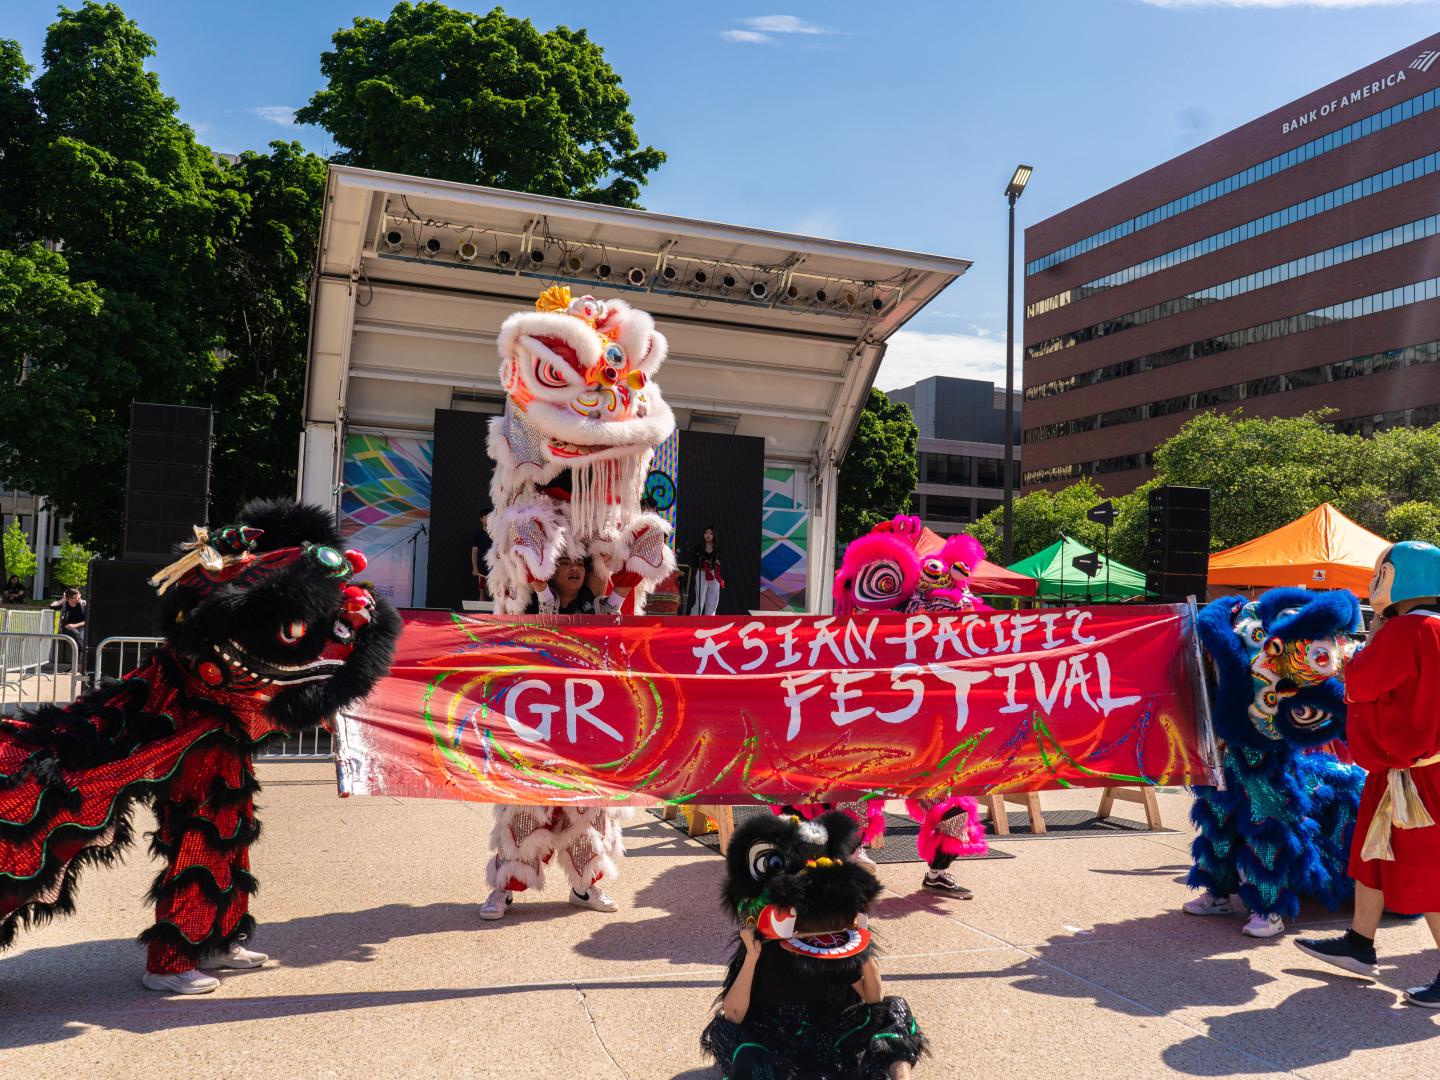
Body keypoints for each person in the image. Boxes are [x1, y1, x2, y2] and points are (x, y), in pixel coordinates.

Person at [1295, 541, 1440, 1007]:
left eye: (1380, 574)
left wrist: (1366, 641)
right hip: (1414, 769)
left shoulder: (1408, 630)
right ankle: (1359, 942)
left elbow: (1360, 683)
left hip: (1416, 774)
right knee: (1373, 855)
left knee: (1425, 868)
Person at [523, 556, 600, 615]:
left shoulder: (596, 603)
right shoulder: (528, 605)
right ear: (551, 572)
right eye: (565, 563)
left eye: (580, 564)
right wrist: (543, 594)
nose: (575, 567)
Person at [49, 587, 87, 668]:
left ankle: (75, 666)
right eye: (76, 598)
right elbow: (51, 606)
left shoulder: (83, 604)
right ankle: (84, 652)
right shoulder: (64, 604)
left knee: (80, 637)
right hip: (66, 629)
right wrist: (63, 599)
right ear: (69, 598)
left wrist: (75, 625)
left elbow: (87, 621)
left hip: (81, 628)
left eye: (79, 597)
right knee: (76, 634)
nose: (79, 599)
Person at [690, 526, 723, 615]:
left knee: (713, 598)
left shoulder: (717, 548)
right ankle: (695, 619)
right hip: (701, 574)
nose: (708, 535)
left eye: (711, 533)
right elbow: (694, 562)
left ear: (714, 535)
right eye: (706, 533)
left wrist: (715, 563)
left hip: (713, 574)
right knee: (700, 599)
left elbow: (718, 561)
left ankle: (710, 618)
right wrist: (703, 564)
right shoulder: (698, 547)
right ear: (703, 535)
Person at [470, 527, 489, 600]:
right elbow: (474, 552)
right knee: (482, 594)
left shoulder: (500, 530)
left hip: (497, 568)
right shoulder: (479, 534)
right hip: (483, 568)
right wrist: (474, 567)